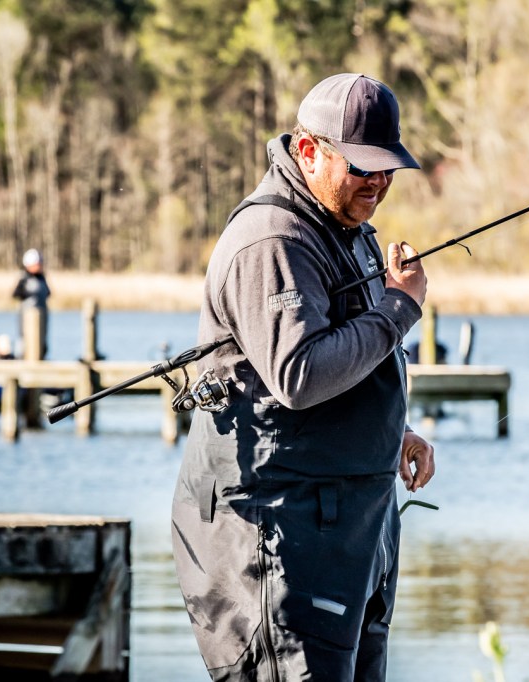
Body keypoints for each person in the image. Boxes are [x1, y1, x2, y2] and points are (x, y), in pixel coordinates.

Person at [171, 73, 436, 682]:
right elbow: (300, 374)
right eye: (363, 167)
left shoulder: (344, 227)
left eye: (388, 168)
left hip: (347, 531)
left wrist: (390, 432)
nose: (379, 182)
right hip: (277, 536)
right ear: (309, 150)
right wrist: (400, 307)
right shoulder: (271, 241)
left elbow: (345, 358)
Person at [11, 248, 50, 358]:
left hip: (42, 319)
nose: (40, 266)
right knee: (25, 344)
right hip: (27, 320)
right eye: (37, 264)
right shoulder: (24, 279)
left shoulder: (42, 278)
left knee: (42, 344)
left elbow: (48, 293)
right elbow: (16, 294)